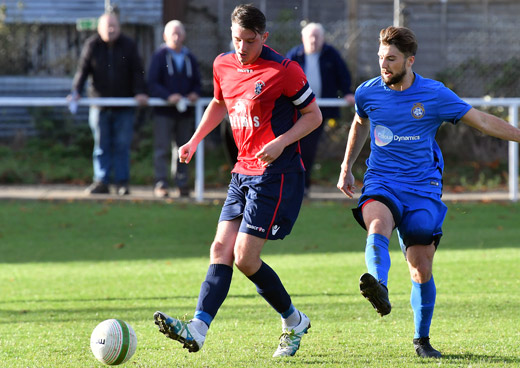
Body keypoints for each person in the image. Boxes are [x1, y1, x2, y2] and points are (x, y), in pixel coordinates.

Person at [337, 26, 520, 359]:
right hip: (381, 181)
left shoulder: (435, 95)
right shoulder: (368, 92)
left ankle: (422, 340)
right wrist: (346, 166)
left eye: (391, 59)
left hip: (422, 189)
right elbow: (361, 122)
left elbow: (481, 120)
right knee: (377, 224)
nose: (384, 65)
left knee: (420, 265)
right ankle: (378, 285)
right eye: (380, 58)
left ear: (410, 60)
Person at [153, 4, 322, 357]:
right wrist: (194, 140)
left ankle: (293, 321)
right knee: (220, 249)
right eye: (236, 39)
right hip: (242, 171)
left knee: (245, 258)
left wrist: (280, 142)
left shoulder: (284, 70)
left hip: (276, 173)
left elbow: (313, 116)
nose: (241, 47)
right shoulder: (222, 64)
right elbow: (219, 103)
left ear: (264, 37)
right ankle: (197, 329)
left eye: (249, 40)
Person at [70, 12, 148, 196]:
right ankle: (101, 181)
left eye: (114, 26)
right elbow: (82, 71)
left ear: (119, 27)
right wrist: (75, 92)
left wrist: (140, 92)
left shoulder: (129, 45)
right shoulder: (92, 45)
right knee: (101, 145)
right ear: (99, 29)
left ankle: (122, 183)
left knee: (122, 145)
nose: (111, 30)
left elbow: (138, 71)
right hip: (99, 106)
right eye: (107, 26)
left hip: (124, 106)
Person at [287, 22, 355, 195]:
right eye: (310, 36)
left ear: (323, 39)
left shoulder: (331, 54)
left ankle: (304, 186)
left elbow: (343, 75)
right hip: (296, 110)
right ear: (303, 38)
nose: (314, 40)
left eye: (317, 36)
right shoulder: (295, 55)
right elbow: (283, 77)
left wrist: (347, 92)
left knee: (308, 149)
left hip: (319, 112)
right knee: (292, 148)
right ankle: (292, 186)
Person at [148, 20, 202, 198]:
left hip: (185, 112)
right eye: (173, 33)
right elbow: (152, 83)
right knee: (162, 148)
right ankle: (161, 183)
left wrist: (194, 93)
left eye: (179, 33)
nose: (176, 37)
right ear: (165, 36)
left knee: (184, 149)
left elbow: (198, 83)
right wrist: (168, 96)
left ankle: (182, 183)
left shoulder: (190, 57)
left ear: (184, 35)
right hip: (164, 111)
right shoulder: (159, 56)